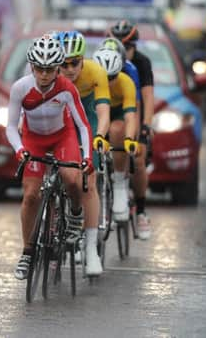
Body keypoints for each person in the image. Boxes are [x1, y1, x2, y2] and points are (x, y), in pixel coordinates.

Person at [5, 34, 100, 280]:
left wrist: (87, 157)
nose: (44, 74)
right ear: (32, 66)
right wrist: (20, 149)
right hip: (33, 139)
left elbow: (82, 126)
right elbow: (10, 126)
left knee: (71, 177)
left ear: (57, 68)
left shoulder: (67, 89)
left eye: (49, 69)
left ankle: (75, 214)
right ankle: (27, 252)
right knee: (30, 196)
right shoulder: (20, 88)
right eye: (39, 69)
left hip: (62, 136)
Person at [56, 31, 109, 273]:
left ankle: (90, 249)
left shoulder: (95, 72)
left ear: (83, 59)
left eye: (74, 63)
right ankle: (50, 230)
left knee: (88, 179)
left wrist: (100, 136)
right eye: (63, 64)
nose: (69, 69)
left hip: (86, 117)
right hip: (58, 118)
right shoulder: (48, 72)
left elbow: (102, 111)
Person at [108, 20, 153, 240]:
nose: (124, 53)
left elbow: (146, 98)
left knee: (138, 156)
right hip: (111, 112)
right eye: (120, 48)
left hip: (134, 110)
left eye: (128, 49)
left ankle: (142, 210)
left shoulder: (141, 64)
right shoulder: (107, 61)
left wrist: (145, 127)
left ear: (135, 47)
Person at [91, 46, 139, 222]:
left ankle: (119, 182)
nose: (107, 82)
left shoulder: (126, 82)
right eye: (103, 77)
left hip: (117, 113)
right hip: (96, 112)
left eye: (112, 77)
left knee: (117, 129)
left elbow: (130, 116)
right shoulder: (89, 79)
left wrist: (129, 139)